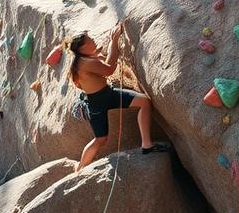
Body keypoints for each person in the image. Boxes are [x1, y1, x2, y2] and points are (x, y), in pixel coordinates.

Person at [66, 24, 168, 172]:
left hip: (108, 94)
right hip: (97, 102)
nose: (93, 41)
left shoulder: (86, 59)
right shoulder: (84, 63)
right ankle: (80, 167)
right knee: (100, 139)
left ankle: (147, 144)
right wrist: (114, 40)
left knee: (144, 102)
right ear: (82, 47)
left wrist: (108, 47)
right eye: (90, 40)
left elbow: (104, 63)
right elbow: (109, 69)